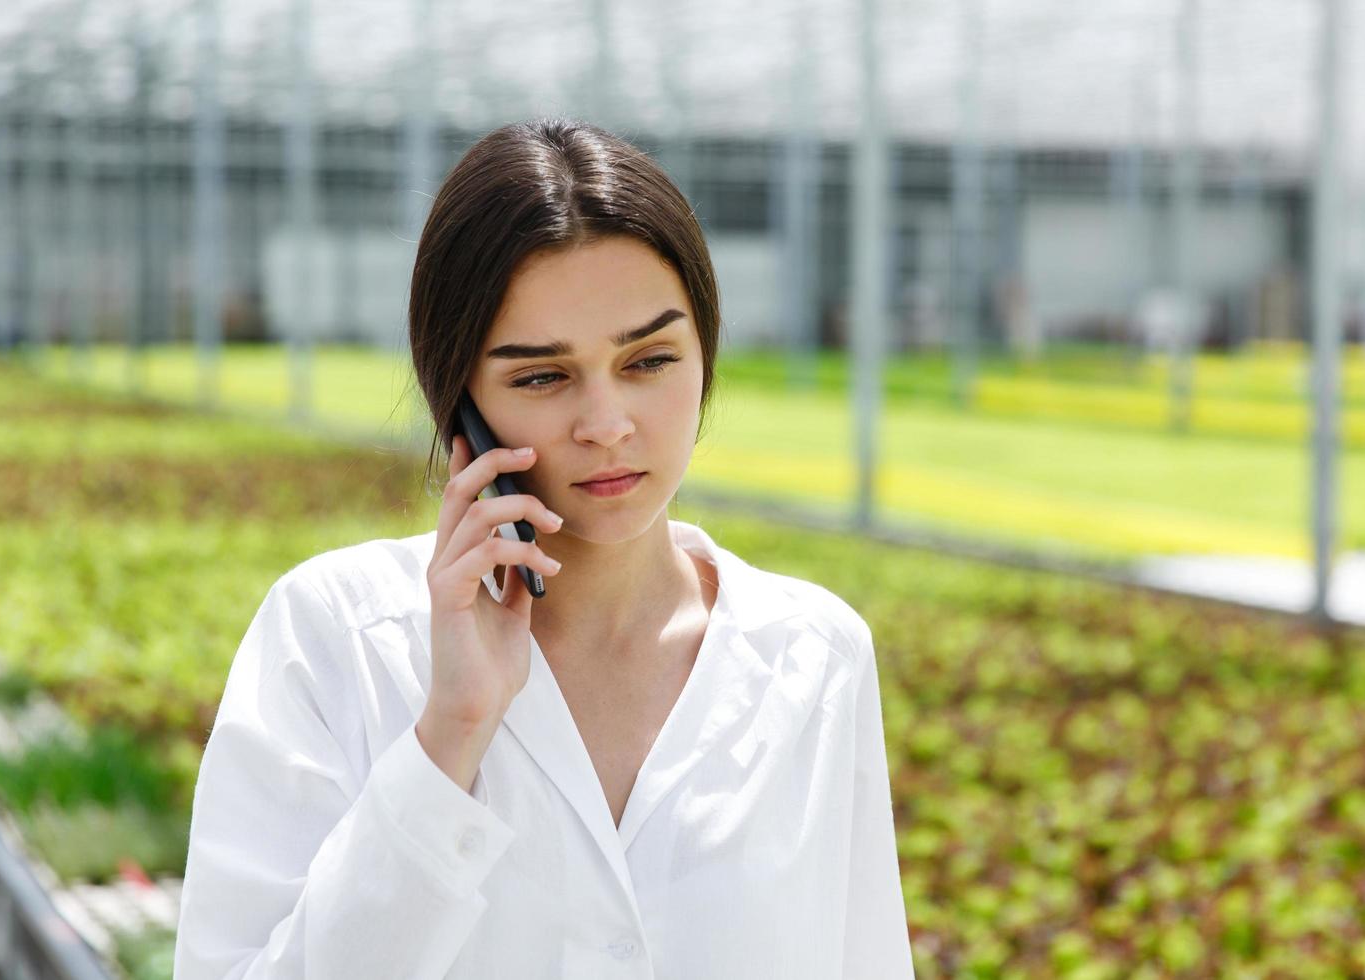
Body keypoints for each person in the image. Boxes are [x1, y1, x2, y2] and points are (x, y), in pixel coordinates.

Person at [173, 118, 913, 979]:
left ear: (705, 358)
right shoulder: (336, 638)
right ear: (457, 400)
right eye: (541, 376)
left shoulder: (813, 656)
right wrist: (451, 732)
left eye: (649, 360)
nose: (607, 425)